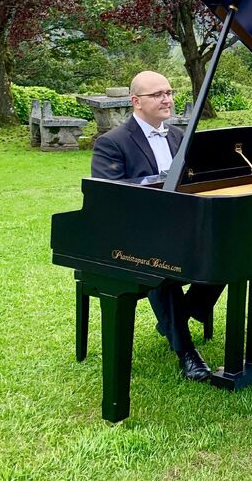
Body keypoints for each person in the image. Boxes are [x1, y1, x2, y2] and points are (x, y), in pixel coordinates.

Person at [90, 70, 224, 382]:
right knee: (163, 262)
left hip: (180, 226)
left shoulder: (179, 136)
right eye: (157, 95)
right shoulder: (111, 143)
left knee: (229, 249)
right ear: (136, 102)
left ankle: (181, 315)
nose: (167, 99)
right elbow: (111, 199)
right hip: (133, 234)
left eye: (169, 92)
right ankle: (185, 350)